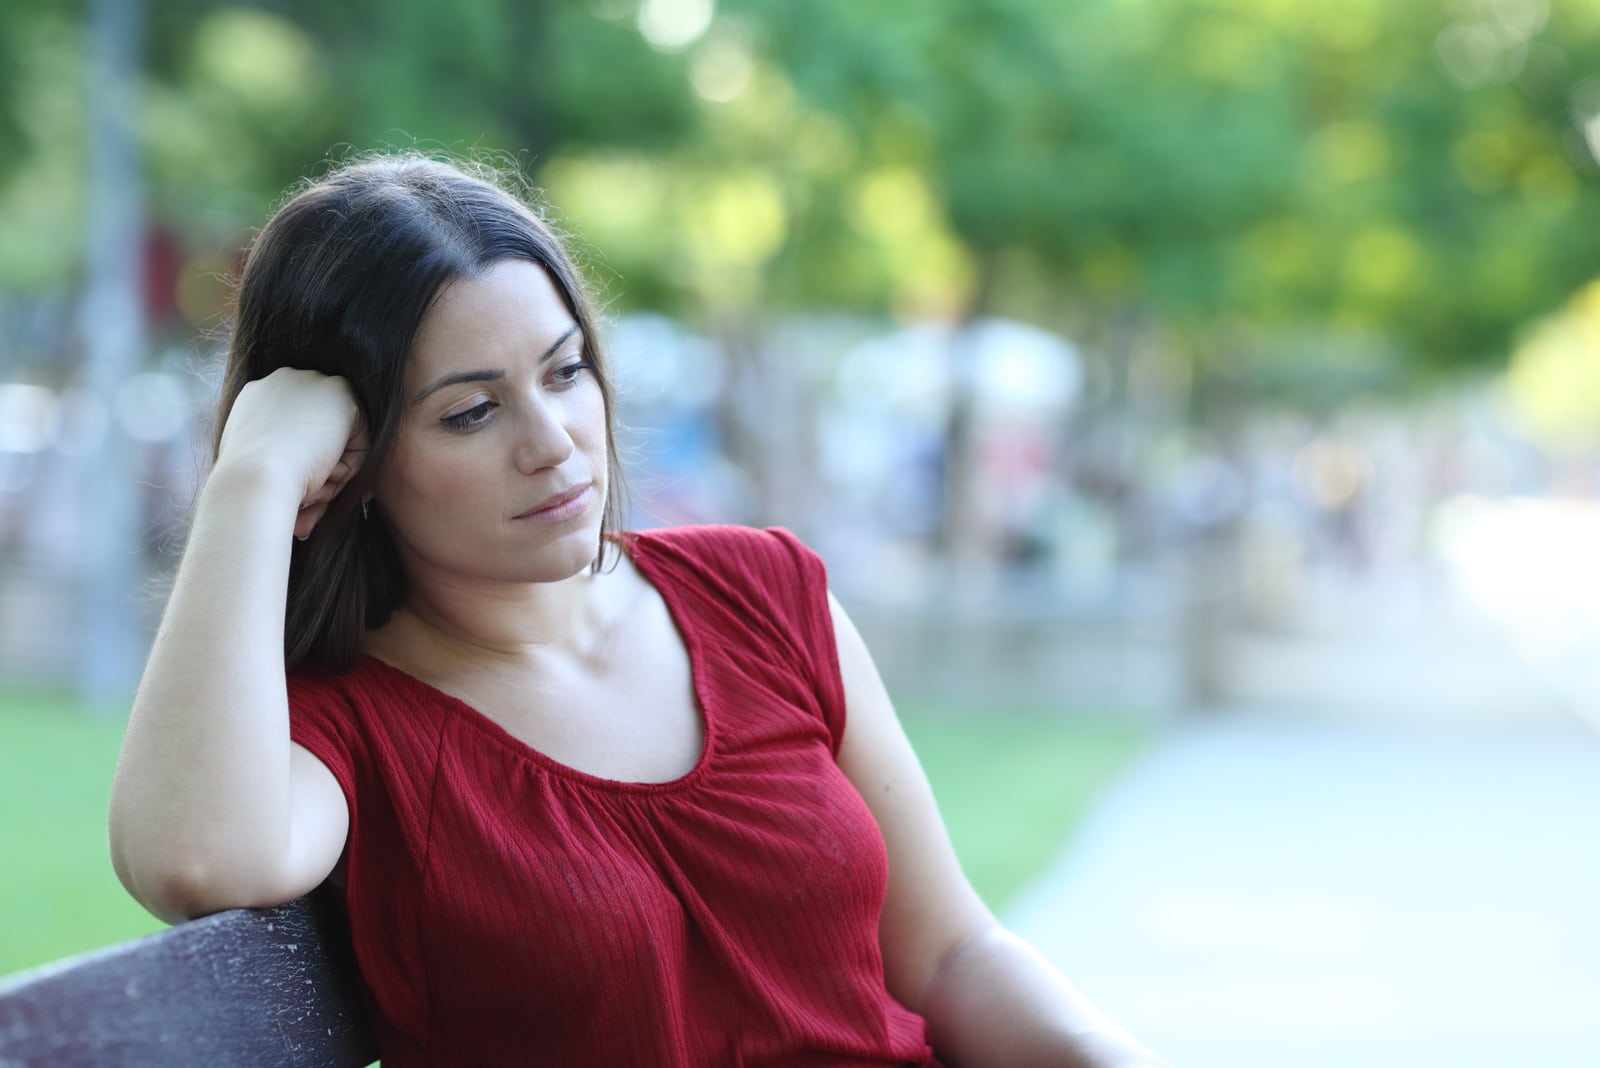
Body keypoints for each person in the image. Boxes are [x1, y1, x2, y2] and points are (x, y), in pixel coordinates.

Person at [108, 153, 1168, 1068]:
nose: (553, 439)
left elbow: (947, 954)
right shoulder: (352, 730)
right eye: (471, 412)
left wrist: (1100, 1054)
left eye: (565, 372)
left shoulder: (761, 593)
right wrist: (251, 478)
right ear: (355, 462)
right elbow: (197, 857)